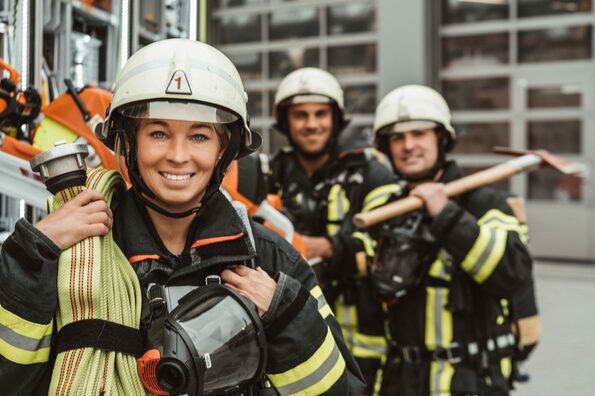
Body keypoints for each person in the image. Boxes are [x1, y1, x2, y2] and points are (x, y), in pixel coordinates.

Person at [0, 39, 366, 395]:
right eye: (159, 133)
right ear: (128, 142)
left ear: (225, 148)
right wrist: (30, 258)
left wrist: (285, 318)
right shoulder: (67, 254)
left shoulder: (270, 260)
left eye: (199, 137)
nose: (177, 156)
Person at [371, 84, 536, 395]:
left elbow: (513, 274)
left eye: (419, 133)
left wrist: (446, 215)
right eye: (397, 137)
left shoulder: (483, 203)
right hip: (400, 381)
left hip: (470, 380)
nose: (409, 145)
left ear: (441, 139)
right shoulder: (386, 211)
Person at [269, 67, 401, 395]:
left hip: (365, 344)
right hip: (290, 338)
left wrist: (322, 247)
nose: (311, 124)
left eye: (320, 114)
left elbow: (392, 248)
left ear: (336, 118)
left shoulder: (371, 176)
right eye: (300, 115)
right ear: (285, 122)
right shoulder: (268, 176)